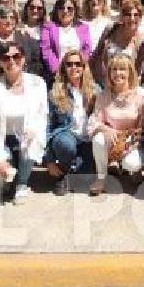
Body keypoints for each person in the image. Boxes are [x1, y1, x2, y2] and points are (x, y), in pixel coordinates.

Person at [0, 40, 49, 205]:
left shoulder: (38, 83)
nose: (11, 61)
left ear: (23, 59)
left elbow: (41, 116)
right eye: (6, 57)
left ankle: (22, 184)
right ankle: (7, 171)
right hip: (2, 139)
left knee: (31, 141)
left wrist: (33, 130)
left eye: (16, 56)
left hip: (26, 138)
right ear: (0, 62)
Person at [87, 53, 144, 195]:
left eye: (122, 69)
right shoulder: (103, 96)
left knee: (131, 164)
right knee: (98, 139)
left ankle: (134, 169)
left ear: (130, 72)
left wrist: (128, 142)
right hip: (111, 139)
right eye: (114, 69)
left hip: (133, 140)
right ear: (109, 73)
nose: (118, 73)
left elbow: (143, 126)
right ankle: (101, 178)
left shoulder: (141, 96)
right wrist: (106, 129)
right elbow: (94, 120)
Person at [45, 49, 100, 196]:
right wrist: (49, 160)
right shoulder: (55, 92)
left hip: (87, 139)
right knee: (66, 145)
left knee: (86, 178)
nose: (74, 67)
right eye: (69, 64)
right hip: (67, 135)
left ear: (84, 67)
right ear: (64, 68)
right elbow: (47, 126)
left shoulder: (95, 90)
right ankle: (62, 173)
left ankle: (74, 168)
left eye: (78, 64)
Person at [90, 0, 144, 85]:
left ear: (140, 18)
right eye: (128, 15)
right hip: (104, 84)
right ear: (122, 17)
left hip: (127, 87)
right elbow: (95, 55)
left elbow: (137, 72)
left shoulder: (142, 40)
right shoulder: (111, 29)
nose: (132, 18)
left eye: (136, 15)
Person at [40, 0, 93, 81]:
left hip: (79, 75)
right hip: (57, 76)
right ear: (57, 10)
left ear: (75, 10)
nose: (65, 11)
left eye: (69, 8)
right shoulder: (48, 27)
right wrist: (59, 71)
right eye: (61, 8)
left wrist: (78, 68)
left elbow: (86, 50)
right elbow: (46, 51)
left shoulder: (83, 27)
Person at [0, 5, 43, 78]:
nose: (8, 21)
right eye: (4, 17)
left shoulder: (28, 40)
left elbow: (37, 65)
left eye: (12, 18)